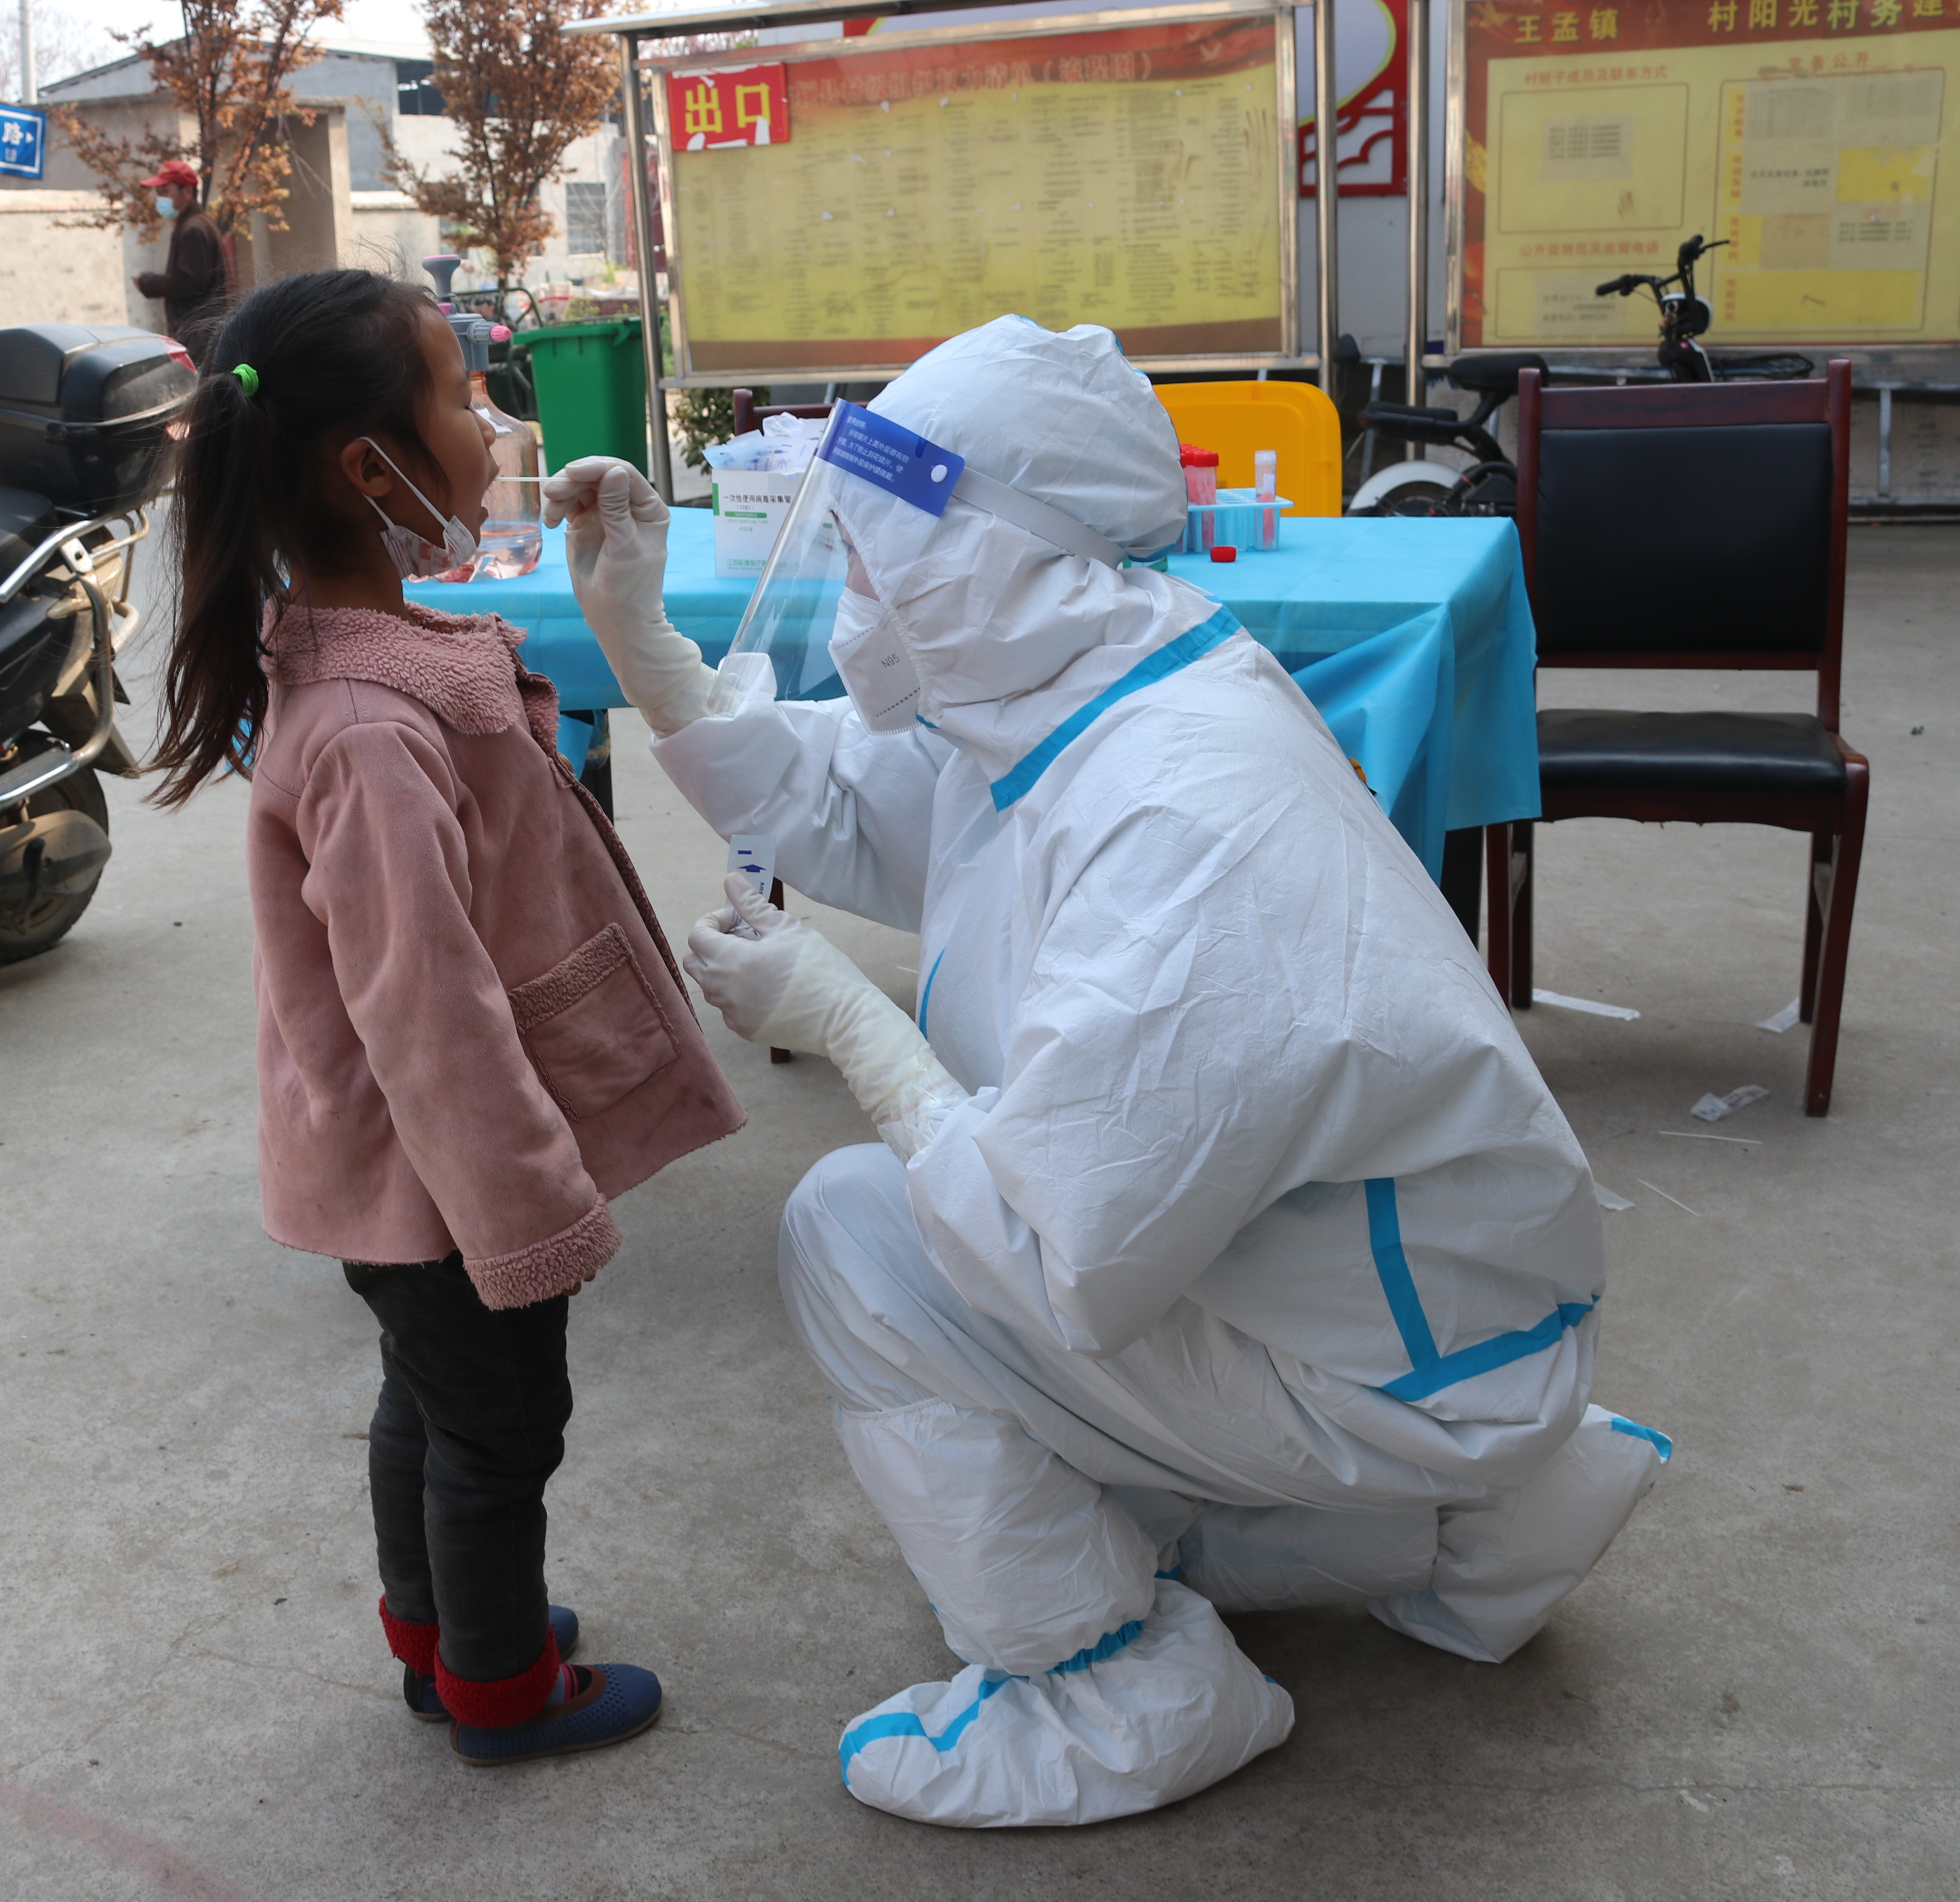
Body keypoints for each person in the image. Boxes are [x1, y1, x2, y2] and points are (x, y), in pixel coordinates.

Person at [542, 316, 1669, 1827]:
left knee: (858, 1233)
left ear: (995, 558)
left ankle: (1115, 1690)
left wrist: (848, 1022)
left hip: (1386, 1363)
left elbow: (1054, 1254)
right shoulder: (1084, 687)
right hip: (1413, 1313)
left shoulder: (1182, 822)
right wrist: (649, 653)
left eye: (882, 556)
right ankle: (1487, 1524)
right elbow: (875, 805)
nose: (854, 597)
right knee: (1081, 1445)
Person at [155, 268, 747, 1766]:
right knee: (497, 1428)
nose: (491, 427)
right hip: (446, 1168)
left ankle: (434, 1629)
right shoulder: (368, 726)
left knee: (427, 1403)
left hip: (404, 1174)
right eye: (461, 394)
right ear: (370, 466)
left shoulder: (383, 661)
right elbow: (424, 1004)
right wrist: (525, 1209)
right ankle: (494, 1684)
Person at [134, 158, 229, 354]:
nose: (160, 199)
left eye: (166, 191)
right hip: (201, 334)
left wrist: (148, 283)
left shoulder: (193, 229)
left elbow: (188, 282)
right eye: (158, 193)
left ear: (187, 192)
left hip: (198, 337)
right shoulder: (193, 224)